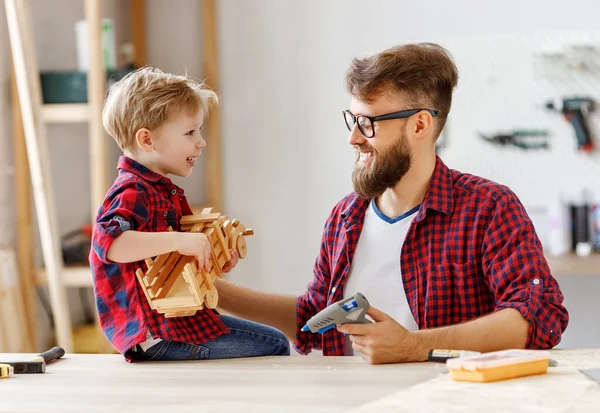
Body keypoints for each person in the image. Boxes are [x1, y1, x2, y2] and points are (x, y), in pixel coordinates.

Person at [213, 43, 569, 364]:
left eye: (368, 124)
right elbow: (316, 319)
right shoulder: (345, 216)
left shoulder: (489, 207)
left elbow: (536, 317)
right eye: (352, 120)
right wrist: (213, 290)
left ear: (419, 125)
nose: (353, 138)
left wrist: (413, 346)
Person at [89, 67, 290, 362]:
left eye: (199, 131)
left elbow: (176, 264)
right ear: (147, 140)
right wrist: (179, 241)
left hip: (177, 323)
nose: (201, 142)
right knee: (275, 345)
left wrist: (212, 259)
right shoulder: (132, 191)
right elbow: (110, 245)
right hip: (156, 333)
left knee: (273, 341)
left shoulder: (162, 191)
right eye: (189, 132)